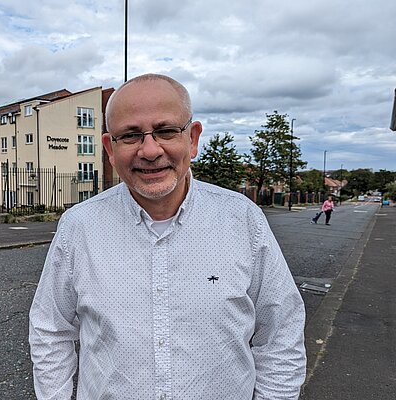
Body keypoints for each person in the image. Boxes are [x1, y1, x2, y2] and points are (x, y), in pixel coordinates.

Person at [29, 73, 306, 399]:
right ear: (109, 148)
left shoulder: (243, 220)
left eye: (166, 131)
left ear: (192, 138)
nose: (149, 150)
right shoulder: (80, 227)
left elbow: (281, 334)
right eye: (130, 136)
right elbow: (51, 330)